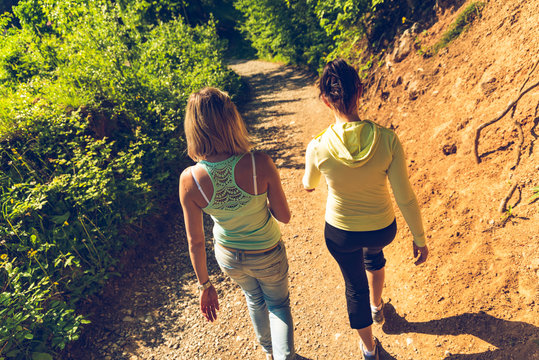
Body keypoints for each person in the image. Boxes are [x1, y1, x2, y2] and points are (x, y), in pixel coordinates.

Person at [302, 59, 428, 360]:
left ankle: (370, 350)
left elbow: (309, 184)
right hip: (382, 227)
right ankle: (376, 306)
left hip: (341, 233)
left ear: (325, 99)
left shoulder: (317, 146)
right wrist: (420, 238)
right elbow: (406, 197)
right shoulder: (387, 140)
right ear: (360, 90)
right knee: (374, 253)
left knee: (353, 287)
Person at [179, 87, 295, 360]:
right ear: (232, 120)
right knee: (278, 305)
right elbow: (285, 216)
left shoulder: (189, 180)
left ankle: (268, 352)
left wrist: (205, 285)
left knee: (254, 300)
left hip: (230, 258)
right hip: (267, 252)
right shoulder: (259, 163)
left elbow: (195, 241)